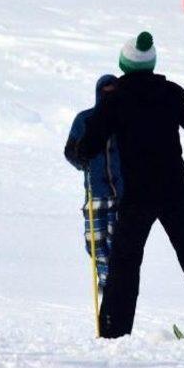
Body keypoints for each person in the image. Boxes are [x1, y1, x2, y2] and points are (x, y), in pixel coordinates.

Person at [76, 32, 184, 341]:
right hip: (175, 191)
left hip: (137, 195)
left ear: (124, 63)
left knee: (125, 263)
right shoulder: (171, 93)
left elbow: (90, 143)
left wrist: (83, 150)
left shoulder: (115, 98)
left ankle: (114, 332)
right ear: (151, 63)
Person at [64, 75, 123, 291]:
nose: (109, 95)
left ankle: (113, 287)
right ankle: (105, 282)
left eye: (113, 91)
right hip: (95, 192)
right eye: (105, 91)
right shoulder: (85, 119)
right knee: (95, 242)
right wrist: (81, 159)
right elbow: (70, 151)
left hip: (120, 193)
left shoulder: (125, 119)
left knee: (116, 243)